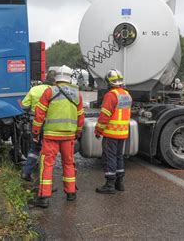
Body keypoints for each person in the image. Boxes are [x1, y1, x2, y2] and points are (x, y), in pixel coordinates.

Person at [31, 65, 85, 208]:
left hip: (51, 135)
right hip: (69, 136)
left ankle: (44, 198)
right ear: (69, 77)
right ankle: (71, 193)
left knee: (47, 165)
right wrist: (77, 133)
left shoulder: (49, 91)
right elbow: (80, 117)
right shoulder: (76, 94)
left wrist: (35, 131)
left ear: (56, 78)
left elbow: (39, 114)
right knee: (68, 163)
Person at [94, 69, 132, 194]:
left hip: (111, 133)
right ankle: (119, 183)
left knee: (109, 157)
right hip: (122, 132)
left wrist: (98, 130)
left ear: (109, 82)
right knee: (119, 156)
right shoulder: (126, 94)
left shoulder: (111, 95)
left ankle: (110, 185)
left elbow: (105, 115)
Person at [20, 70, 56, 181]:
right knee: (48, 151)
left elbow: (24, 106)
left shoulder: (34, 89)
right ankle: (44, 179)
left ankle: (26, 172)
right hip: (50, 125)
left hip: (35, 124)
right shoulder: (56, 91)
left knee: (34, 149)